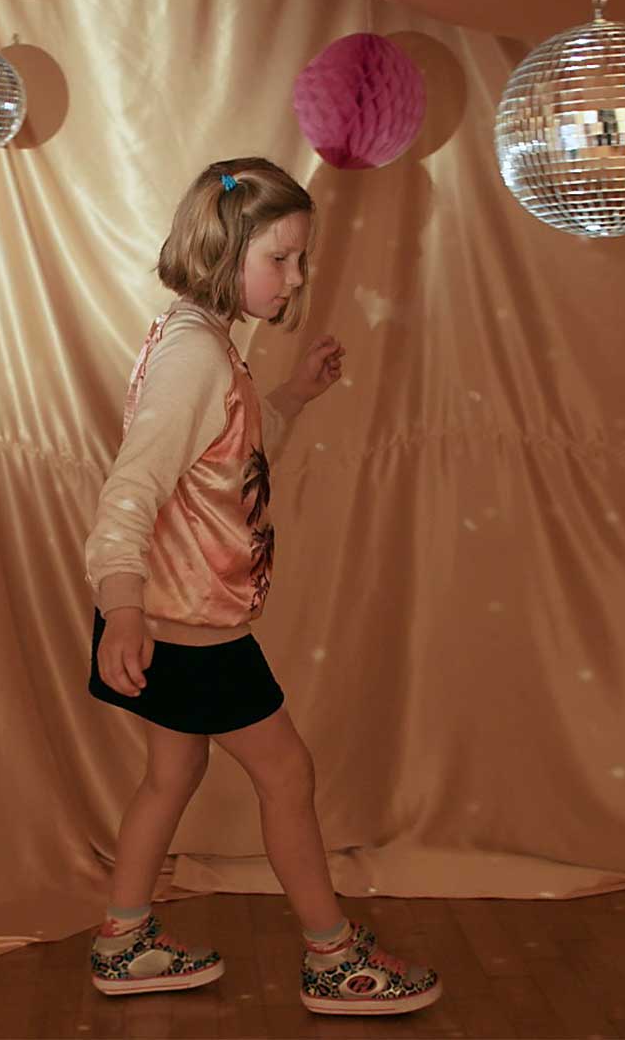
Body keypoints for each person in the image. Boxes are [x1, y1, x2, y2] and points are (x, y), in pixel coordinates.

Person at [80, 157, 439, 1016]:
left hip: (171, 614)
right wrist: (122, 607)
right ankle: (333, 957)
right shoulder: (193, 357)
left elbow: (228, 448)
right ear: (223, 249)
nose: (296, 277)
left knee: (172, 774)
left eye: (300, 259)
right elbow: (130, 491)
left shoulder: (199, 341)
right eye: (280, 258)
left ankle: (122, 942)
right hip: (187, 624)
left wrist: (294, 395)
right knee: (286, 772)